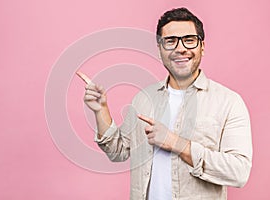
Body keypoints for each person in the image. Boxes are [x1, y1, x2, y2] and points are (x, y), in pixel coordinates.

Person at [77, 7, 252, 200]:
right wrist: (101, 110)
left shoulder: (229, 102)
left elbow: (239, 172)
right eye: (170, 41)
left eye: (189, 40)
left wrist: (176, 143)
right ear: (160, 49)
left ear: (202, 46)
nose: (180, 48)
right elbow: (118, 151)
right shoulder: (144, 98)